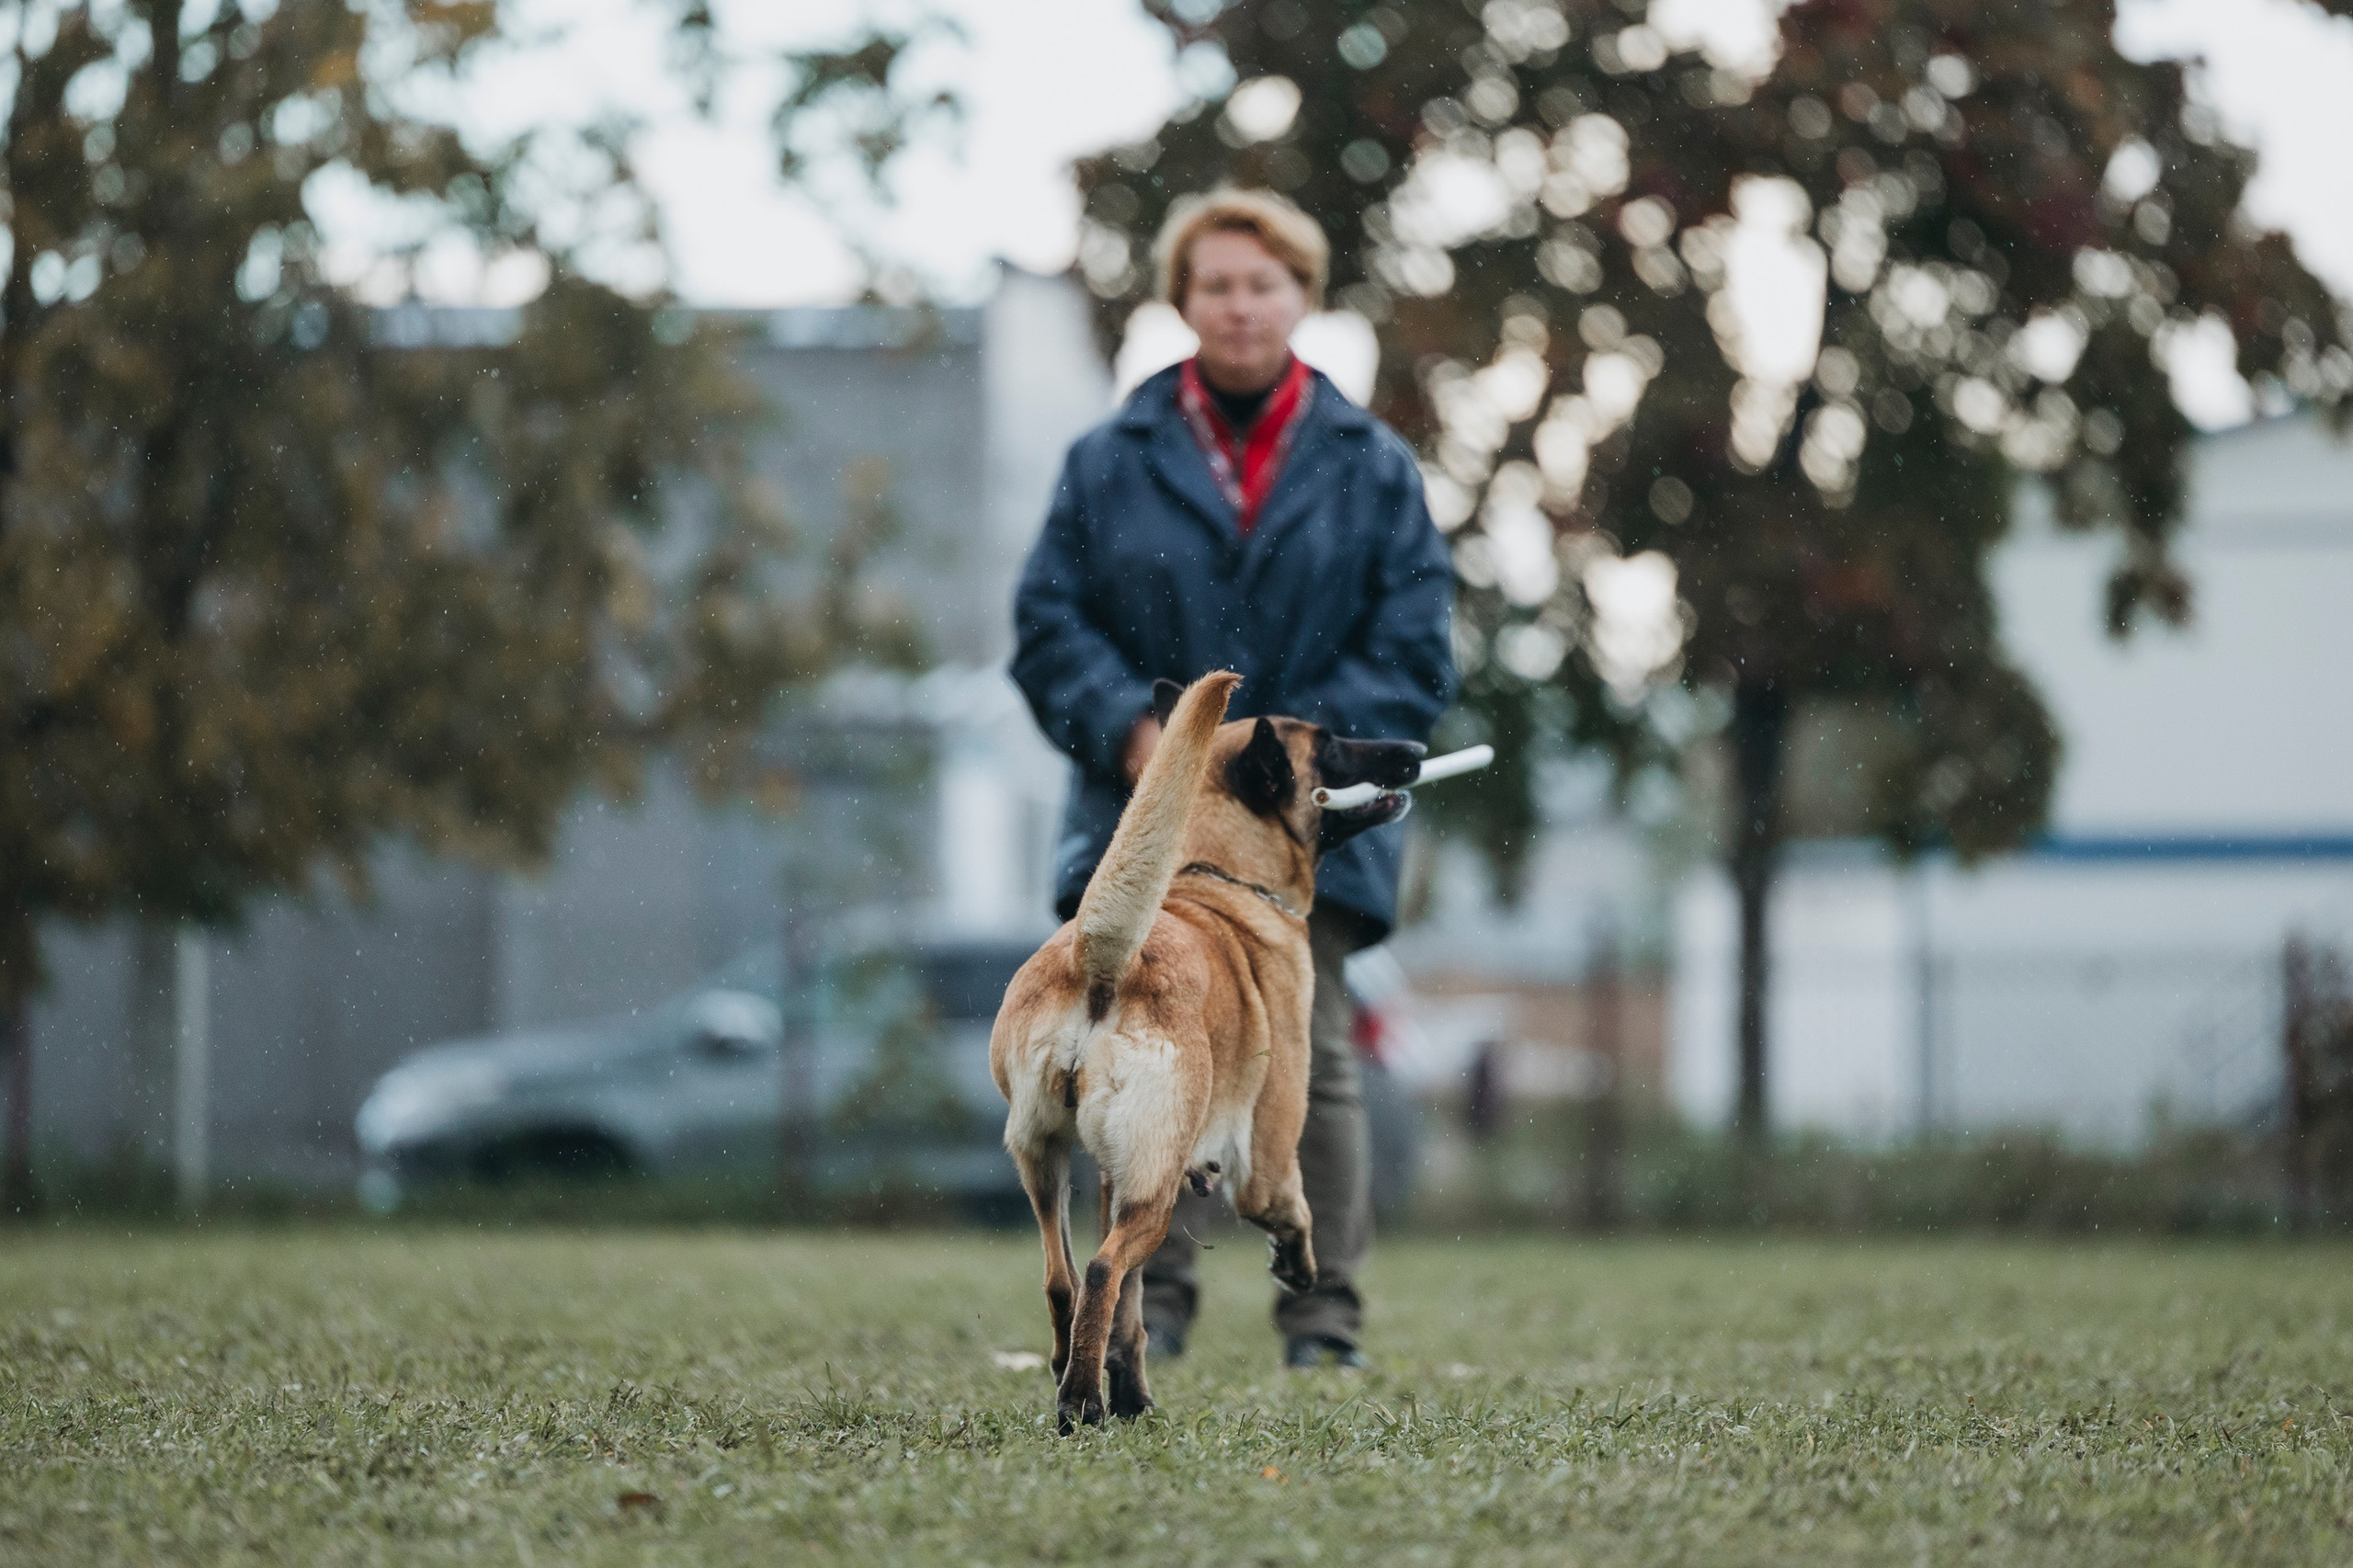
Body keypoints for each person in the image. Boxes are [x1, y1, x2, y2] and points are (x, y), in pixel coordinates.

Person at [1010, 188, 1456, 1370]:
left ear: (1301, 296)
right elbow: (1047, 625)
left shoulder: (1372, 466)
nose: (1240, 304)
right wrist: (1131, 731)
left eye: (1263, 283)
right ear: (1182, 299)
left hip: (1302, 836)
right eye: (1216, 283)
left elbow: (1412, 645)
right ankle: (1144, 1310)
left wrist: (1277, 758)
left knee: (1321, 1063)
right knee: (1140, 1042)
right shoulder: (1108, 460)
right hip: (1135, 822)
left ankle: (1324, 1320)